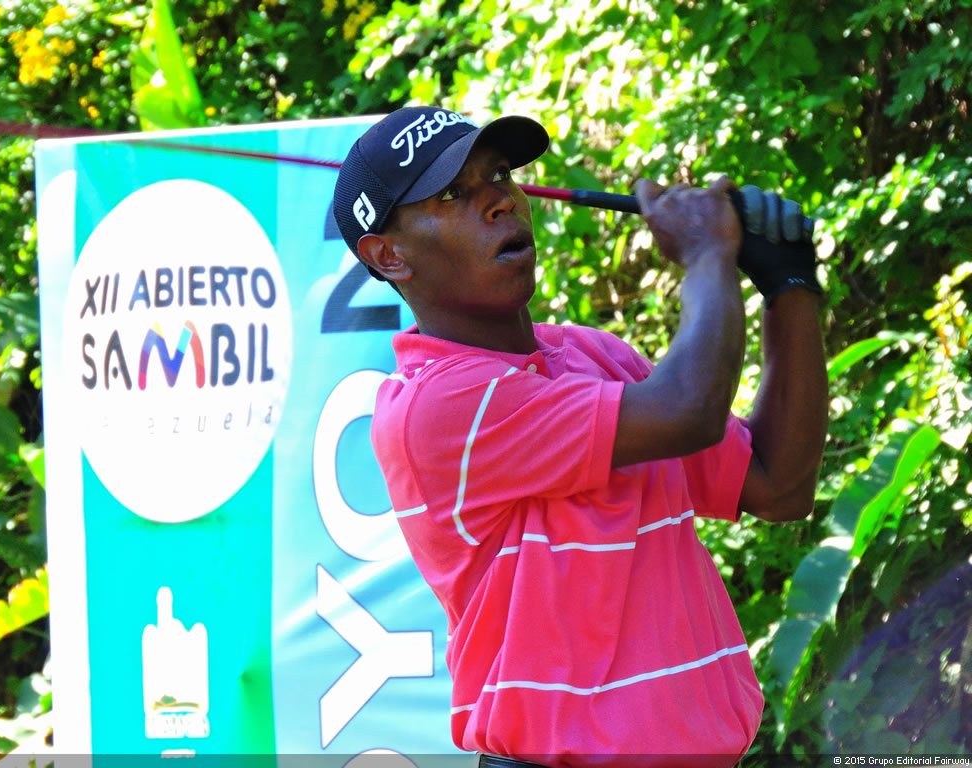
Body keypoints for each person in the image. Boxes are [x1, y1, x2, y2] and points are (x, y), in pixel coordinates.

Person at [332, 106, 828, 768]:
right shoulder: (434, 406)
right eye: (452, 194)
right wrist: (709, 253)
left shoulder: (594, 356)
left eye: (499, 175)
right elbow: (690, 409)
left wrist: (790, 287)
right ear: (389, 255)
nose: (499, 201)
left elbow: (777, 484)